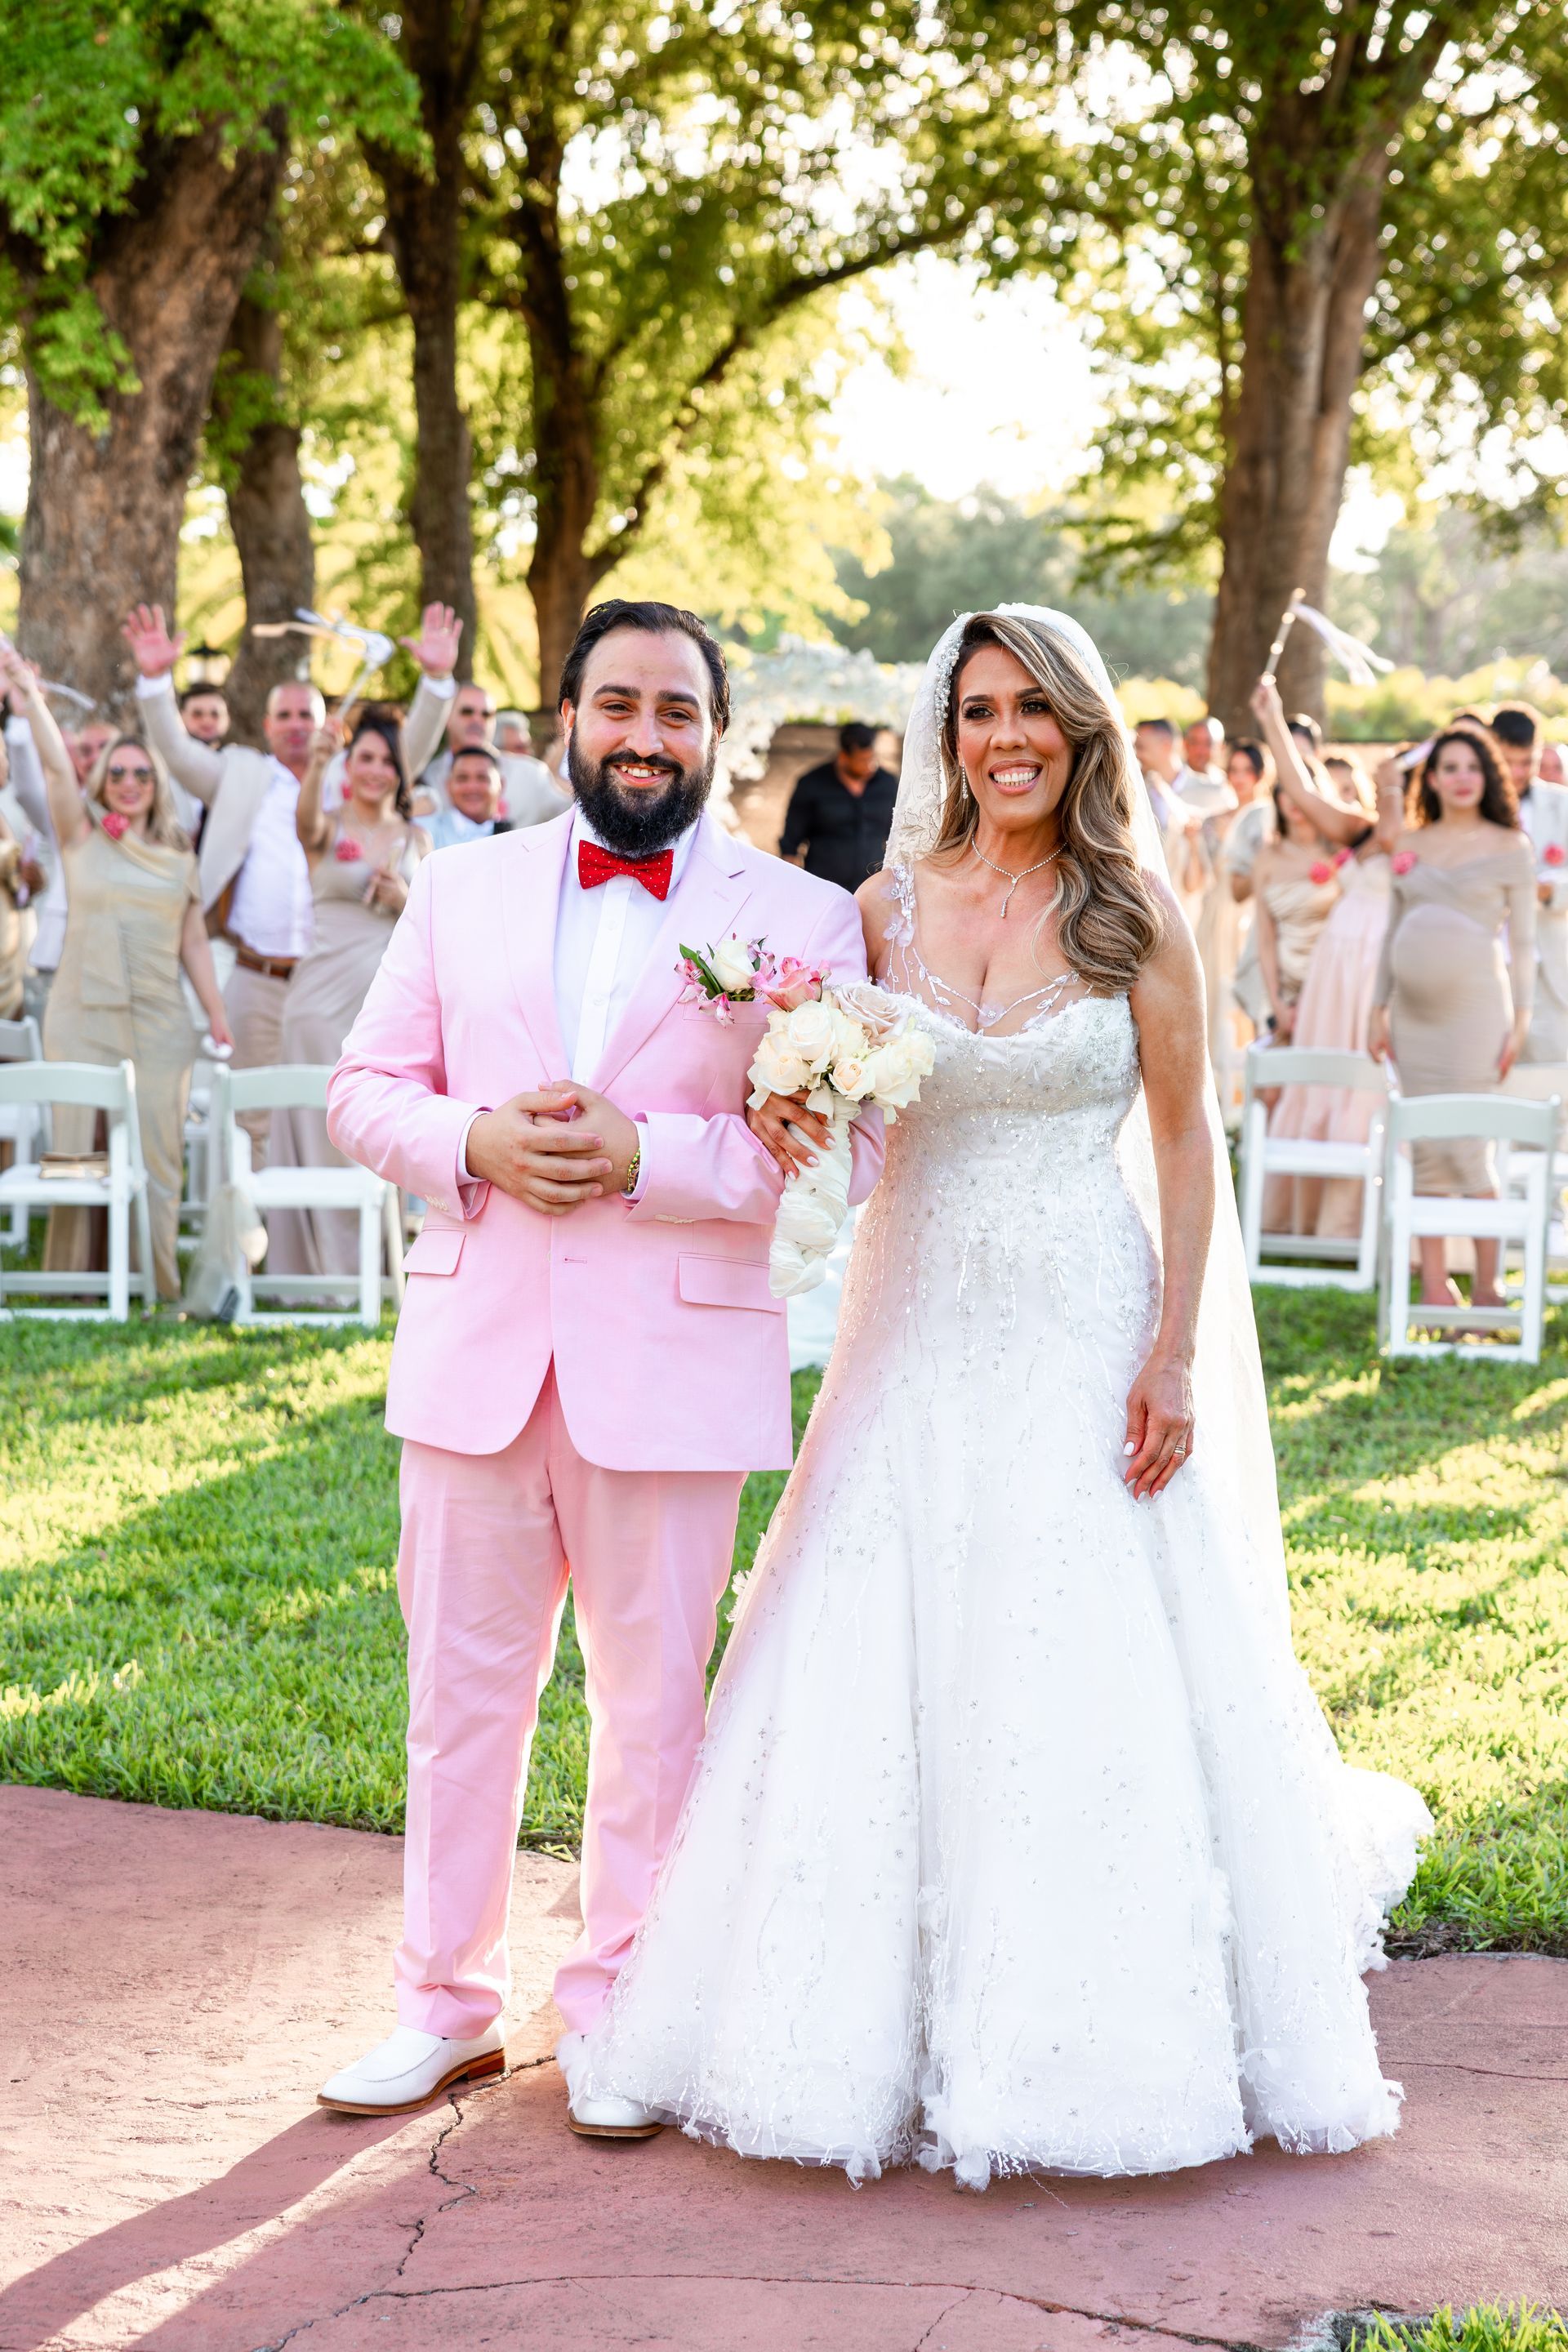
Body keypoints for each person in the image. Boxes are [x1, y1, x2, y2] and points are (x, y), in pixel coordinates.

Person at [569, 604, 1429, 2184]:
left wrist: (1168, 1351)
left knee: (1080, 1643)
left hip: (1079, 1323)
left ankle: (1089, 2029)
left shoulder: (1132, 916)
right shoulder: (880, 907)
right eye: (978, 711)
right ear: (945, 730)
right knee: (866, 1646)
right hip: (908, 1332)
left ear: (1082, 731)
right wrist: (786, 1086)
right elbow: (807, 1093)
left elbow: (1184, 1147)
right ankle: (833, 2019)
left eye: (1034, 710)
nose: (1006, 738)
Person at [317, 597, 884, 2124]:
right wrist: (471, 1140)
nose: (646, 736)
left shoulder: (801, 919)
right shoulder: (462, 884)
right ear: (568, 717)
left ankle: (623, 2011)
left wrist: (655, 1157)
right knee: (459, 1700)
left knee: (653, 1712)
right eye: (619, 705)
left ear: (719, 734)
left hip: (674, 1367)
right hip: (477, 1352)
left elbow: (829, 1151)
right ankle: (442, 2006)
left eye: (678, 712)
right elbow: (364, 1091)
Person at [122, 601, 458, 1166]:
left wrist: (437, 680)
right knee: (254, 1120)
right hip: (260, 976)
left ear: (327, 722)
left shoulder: (346, 778)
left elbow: (410, 750)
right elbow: (177, 755)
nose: (298, 725)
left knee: (340, 1123)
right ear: (267, 724)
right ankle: (257, 1249)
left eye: (308, 714)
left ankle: (331, 1243)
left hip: (339, 981)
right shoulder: (239, 773)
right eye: (286, 716)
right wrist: (157, 683)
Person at [0, 642, 233, 1301]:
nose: (129, 783)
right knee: (78, 1148)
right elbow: (50, 765)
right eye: (118, 773)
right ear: (101, 780)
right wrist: (25, 688)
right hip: (81, 1014)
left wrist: (216, 1016)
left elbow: (193, 943)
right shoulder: (79, 836)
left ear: (156, 785)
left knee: (159, 1154)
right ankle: (74, 1284)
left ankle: (156, 1285)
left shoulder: (178, 858)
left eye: (142, 774)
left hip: (161, 1020)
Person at [1370, 727, 1535, 1310]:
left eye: (1473, 767)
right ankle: (1435, 1287)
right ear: (1433, 779)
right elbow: (1391, 929)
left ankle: (1488, 1290)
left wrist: (1520, 1021)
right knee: (1428, 1150)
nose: (1462, 776)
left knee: (1470, 1151)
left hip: (1476, 1017)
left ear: (1487, 778)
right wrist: (1376, 1008)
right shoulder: (1411, 843)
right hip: (1413, 1022)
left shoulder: (1512, 845)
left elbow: (1524, 942)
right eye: (1450, 767)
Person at [265, 715, 430, 1283]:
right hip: (317, 1000)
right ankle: (311, 1273)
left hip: (386, 1008)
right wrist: (315, 760)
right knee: (317, 1131)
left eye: (388, 761)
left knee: (374, 1130)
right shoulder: (327, 827)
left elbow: (434, 924)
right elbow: (303, 823)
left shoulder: (418, 840)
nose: (377, 771)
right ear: (349, 765)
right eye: (366, 758)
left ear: (400, 771)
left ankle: (369, 1271)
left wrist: (404, 895)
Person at [1250, 680, 1388, 1238]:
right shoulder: (1357, 835)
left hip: (1380, 979)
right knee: (1322, 1082)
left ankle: (1363, 1226)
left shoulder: (1418, 843)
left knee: (1368, 1088)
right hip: (1334, 979)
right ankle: (1309, 1221)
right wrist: (1273, 720)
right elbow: (1304, 794)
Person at [1490, 704, 1568, 1062]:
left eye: (1528, 762)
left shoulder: (1562, 805)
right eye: (1509, 762)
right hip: (1488, 969)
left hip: (1551, 970)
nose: (1519, 773)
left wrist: (1551, 889)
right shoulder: (1469, 811)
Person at [414, 675, 565, 828]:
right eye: (467, 712)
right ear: (446, 717)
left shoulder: (531, 774)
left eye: (486, 714)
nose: (477, 720)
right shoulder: (429, 776)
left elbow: (571, 813)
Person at [777, 720, 899, 893]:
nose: (870, 765)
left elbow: (898, 832)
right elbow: (791, 841)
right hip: (825, 887)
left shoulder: (887, 784)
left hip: (873, 887)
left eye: (872, 758)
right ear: (843, 757)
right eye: (862, 760)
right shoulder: (811, 784)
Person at [1134, 715, 1207, 924]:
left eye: (1141, 748)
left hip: (1195, 916)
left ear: (1166, 745)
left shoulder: (1208, 790)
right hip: (1148, 912)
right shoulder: (1135, 794)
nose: (1136, 755)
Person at [417, 746, 514, 850]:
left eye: (482, 778)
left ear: (501, 785)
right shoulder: (423, 831)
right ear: (448, 786)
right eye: (462, 778)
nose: (472, 787)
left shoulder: (515, 838)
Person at [178, 681, 229, 746]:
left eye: (215, 714)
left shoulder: (240, 754)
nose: (207, 721)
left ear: (227, 718)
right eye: (197, 714)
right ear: (182, 716)